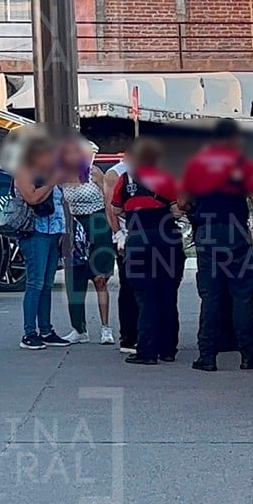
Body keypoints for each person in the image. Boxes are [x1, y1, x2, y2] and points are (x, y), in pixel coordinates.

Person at [180, 119, 253, 372]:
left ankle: (207, 356)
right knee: (242, 295)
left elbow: (182, 202)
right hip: (235, 232)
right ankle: (249, 355)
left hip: (207, 233)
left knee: (210, 296)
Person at [110, 138, 183, 366]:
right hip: (167, 240)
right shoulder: (167, 178)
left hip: (138, 240)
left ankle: (147, 351)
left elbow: (115, 209)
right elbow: (178, 209)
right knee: (168, 295)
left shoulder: (125, 179)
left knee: (145, 297)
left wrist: (135, 215)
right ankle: (168, 349)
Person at [14, 137, 70, 350]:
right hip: (34, 232)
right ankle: (29, 332)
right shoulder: (24, 171)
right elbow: (32, 198)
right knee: (35, 282)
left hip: (53, 232)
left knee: (47, 283)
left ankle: (46, 329)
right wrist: (52, 181)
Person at [59, 140, 116, 345]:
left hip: (98, 224)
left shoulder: (94, 173)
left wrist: (114, 229)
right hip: (75, 227)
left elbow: (108, 200)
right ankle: (79, 329)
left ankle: (105, 328)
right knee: (74, 281)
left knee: (100, 278)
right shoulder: (62, 176)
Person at [104, 152, 139, 355]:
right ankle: (128, 336)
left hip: (146, 234)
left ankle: (145, 333)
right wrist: (118, 234)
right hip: (126, 235)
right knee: (128, 287)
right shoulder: (116, 173)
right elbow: (110, 207)